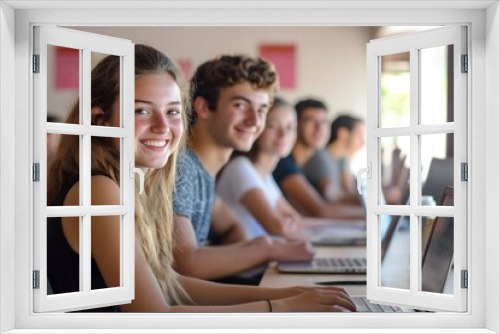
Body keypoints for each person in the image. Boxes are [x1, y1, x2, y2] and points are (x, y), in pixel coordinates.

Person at [46, 44, 355, 313]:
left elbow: (171, 284)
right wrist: (279, 307)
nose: (162, 126)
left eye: (172, 111)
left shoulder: (136, 184)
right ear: (101, 120)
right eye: (141, 111)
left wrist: (287, 294)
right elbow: (152, 314)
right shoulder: (99, 188)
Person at [172, 55, 316, 284]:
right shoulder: (180, 167)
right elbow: (187, 263)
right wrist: (268, 250)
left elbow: (230, 226)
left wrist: (259, 245)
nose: (254, 121)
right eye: (240, 105)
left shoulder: (203, 170)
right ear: (203, 107)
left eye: (261, 109)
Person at [216, 97, 303, 239]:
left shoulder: (265, 175)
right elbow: (278, 227)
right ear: (257, 128)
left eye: (290, 127)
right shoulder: (240, 167)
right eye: (273, 126)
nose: (283, 134)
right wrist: (285, 222)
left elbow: (297, 221)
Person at [272, 98, 365, 219]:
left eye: (324, 122)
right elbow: (321, 210)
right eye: (311, 121)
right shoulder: (284, 162)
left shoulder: (302, 164)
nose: (319, 128)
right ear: (295, 124)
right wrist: (377, 213)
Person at [302, 114, 366, 203]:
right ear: (342, 133)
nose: (363, 142)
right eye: (359, 135)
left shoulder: (340, 162)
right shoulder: (321, 157)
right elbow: (333, 197)